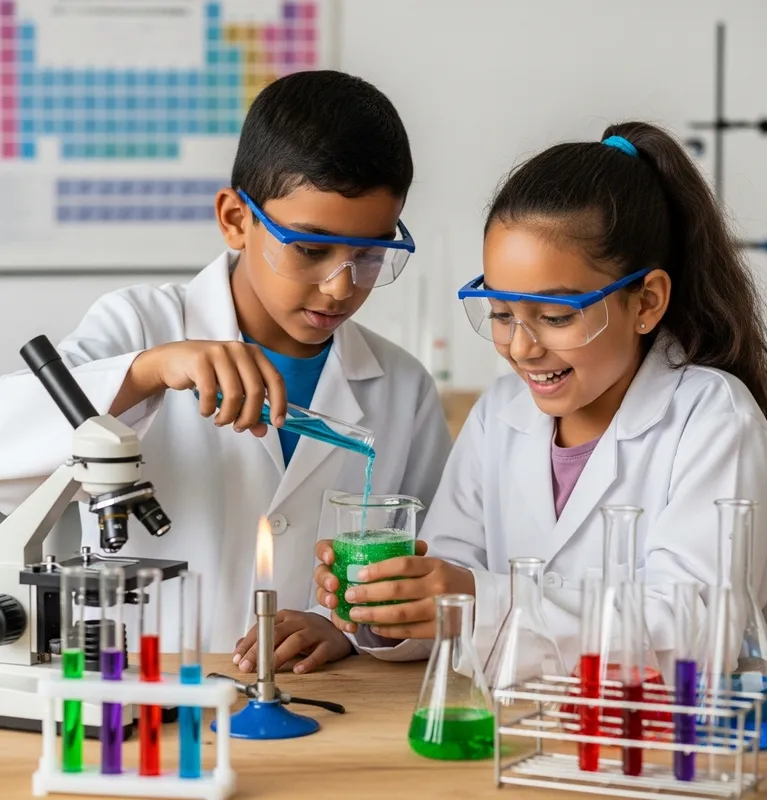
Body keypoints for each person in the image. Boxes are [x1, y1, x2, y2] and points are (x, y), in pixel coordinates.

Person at [0, 71, 450, 673]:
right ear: (236, 218)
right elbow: (9, 455)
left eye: (369, 254)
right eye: (311, 249)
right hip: (140, 687)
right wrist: (151, 370)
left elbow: (431, 570)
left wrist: (348, 629)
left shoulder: (402, 385)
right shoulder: (139, 327)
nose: (340, 286)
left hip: (312, 700)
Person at [312, 122, 767, 668]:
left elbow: (695, 634)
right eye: (500, 313)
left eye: (557, 316)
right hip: (516, 737)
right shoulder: (500, 416)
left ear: (646, 302)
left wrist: (478, 602)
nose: (521, 346)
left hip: (659, 746)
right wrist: (389, 609)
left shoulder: (712, 420)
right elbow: (451, 591)